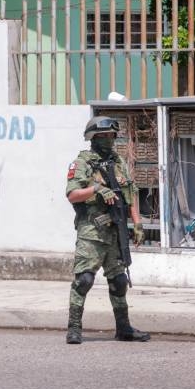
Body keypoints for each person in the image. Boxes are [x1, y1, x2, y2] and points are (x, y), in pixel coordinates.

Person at [64, 116, 149, 344]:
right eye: (104, 136)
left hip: (115, 232)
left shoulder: (118, 162)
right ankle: (74, 328)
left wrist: (137, 223)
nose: (109, 140)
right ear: (93, 137)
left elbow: (130, 196)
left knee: (119, 281)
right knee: (84, 280)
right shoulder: (82, 163)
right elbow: (72, 194)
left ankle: (124, 328)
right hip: (92, 232)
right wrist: (97, 189)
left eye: (112, 135)